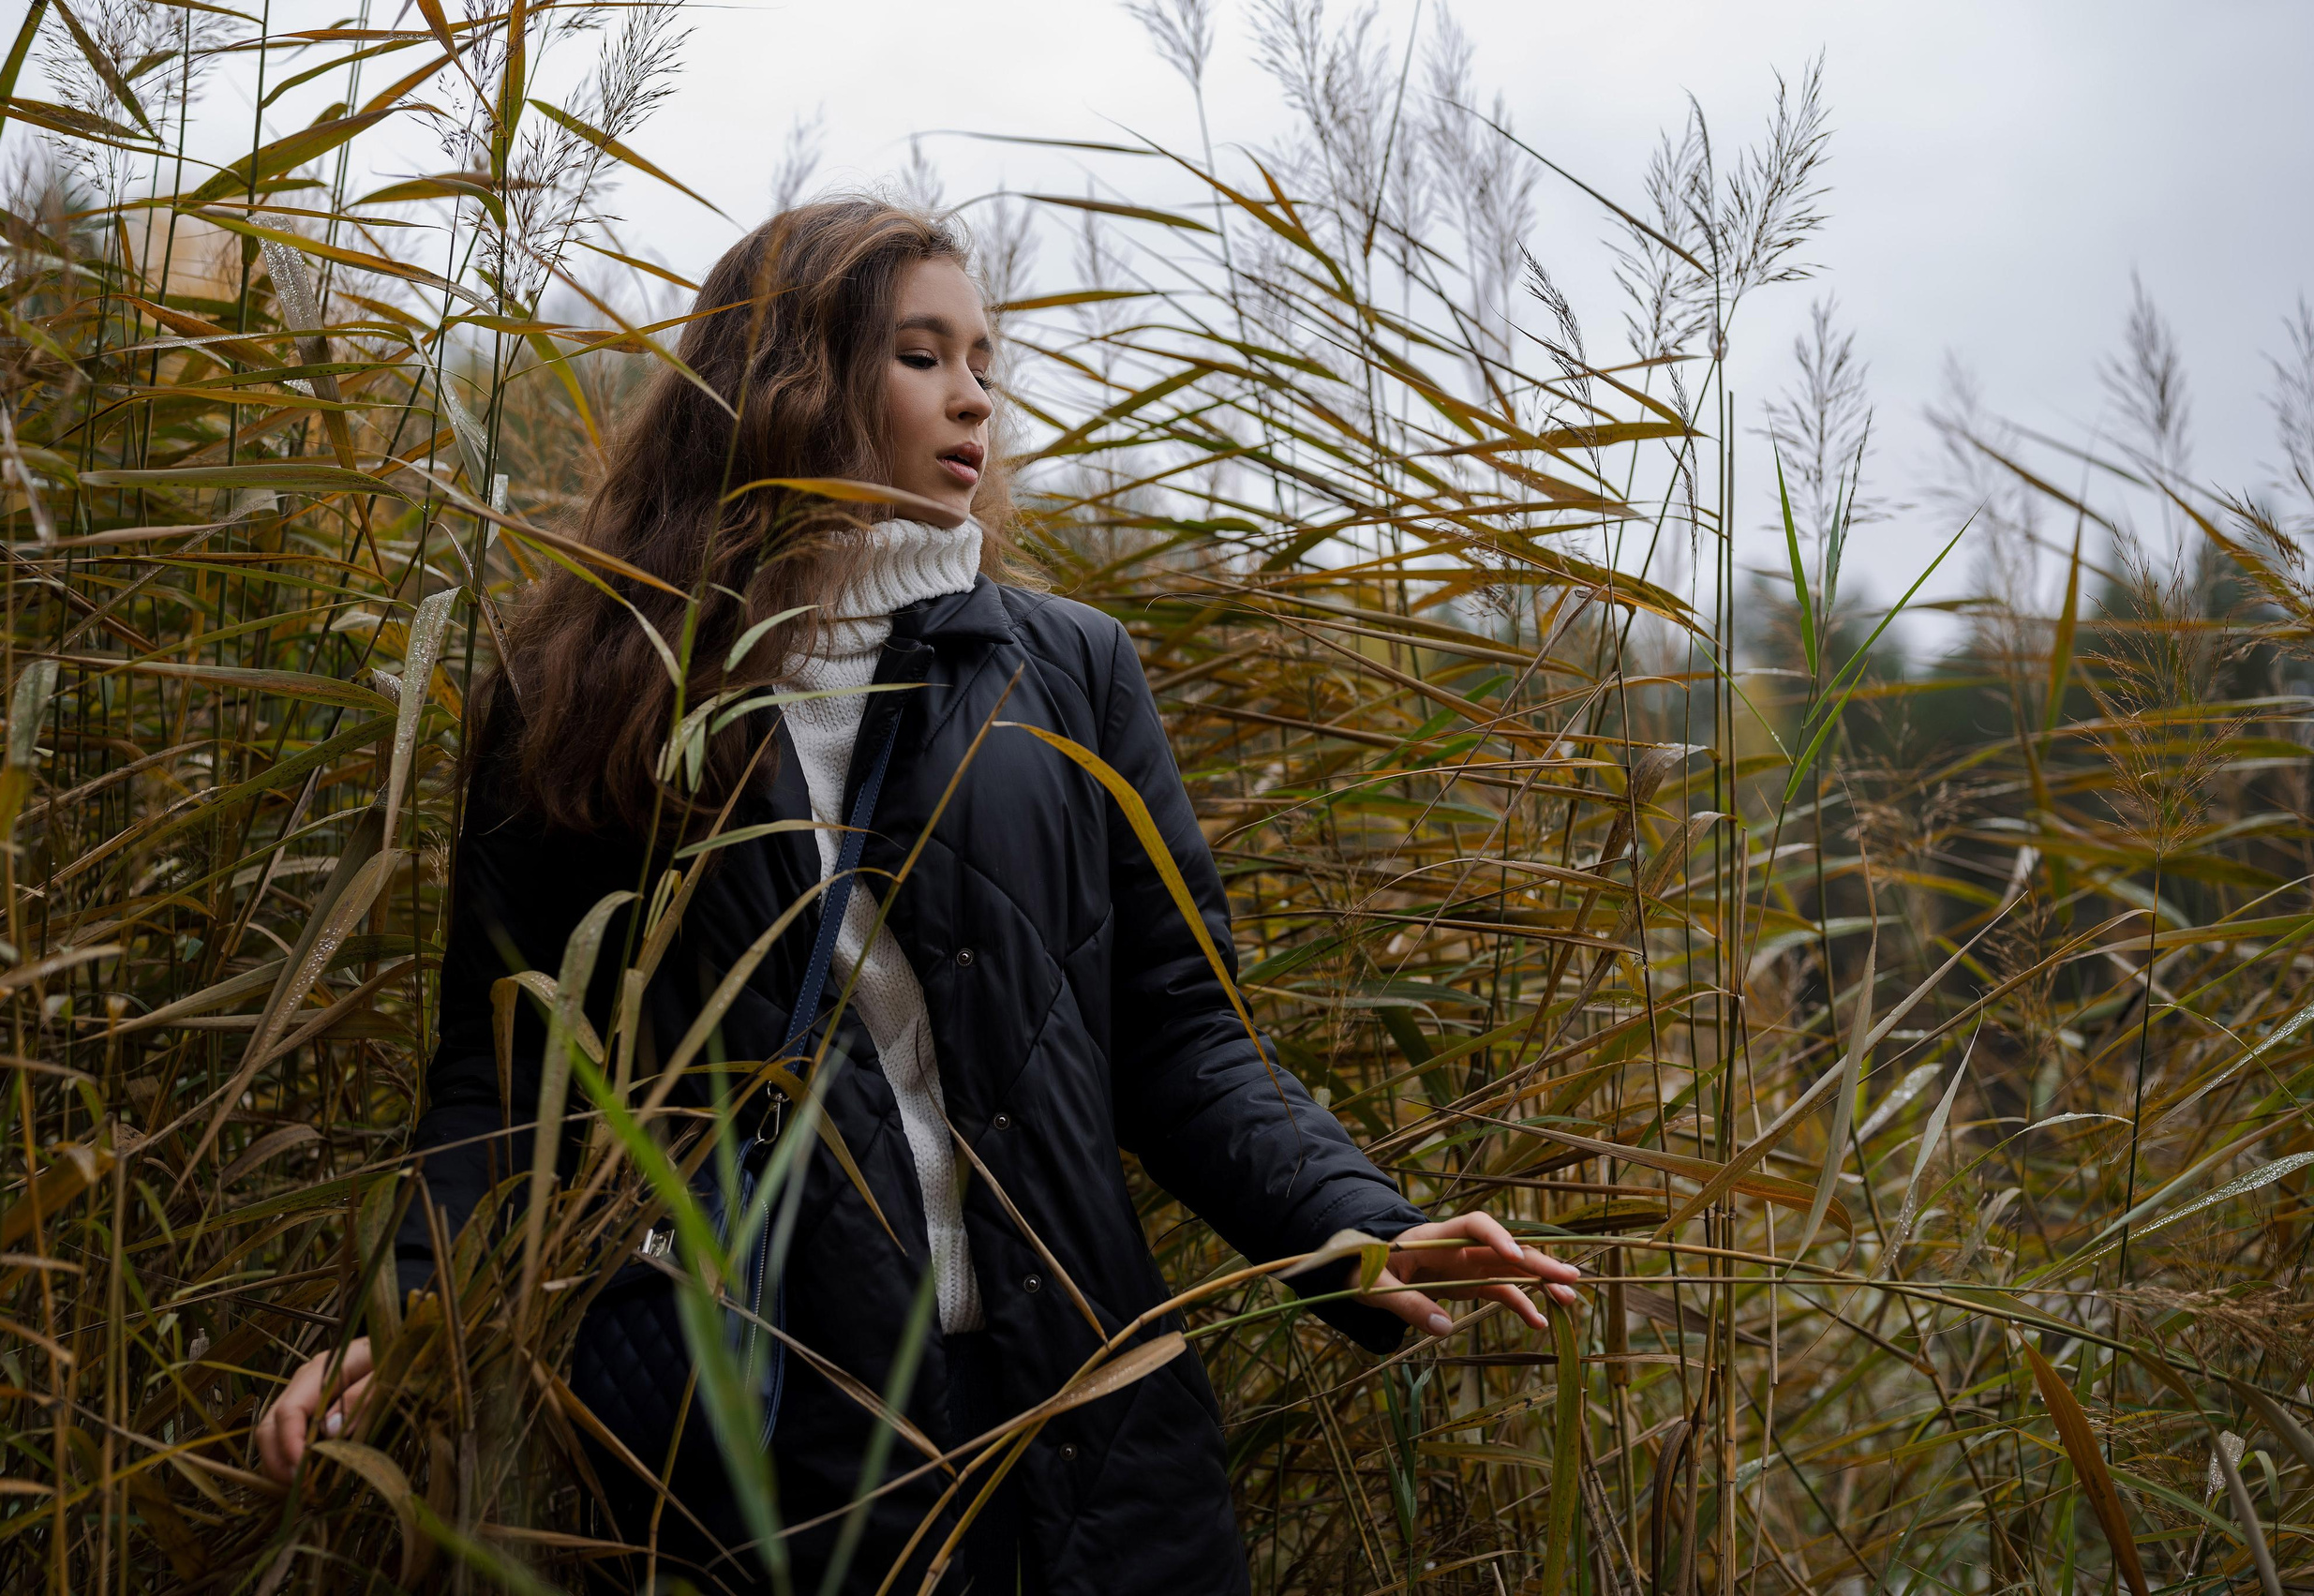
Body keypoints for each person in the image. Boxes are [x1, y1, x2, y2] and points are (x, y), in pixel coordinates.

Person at [254, 198, 1579, 1593]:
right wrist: (402, 1314)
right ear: (793, 381)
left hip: (1088, 1405)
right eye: (922, 356)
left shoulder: (1070, 669)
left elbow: (1183, 1038)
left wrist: (1354, 1227)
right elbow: (506, 1079)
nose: (973, 401)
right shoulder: (602, 682)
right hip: (774, 1418)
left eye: (986, 364)